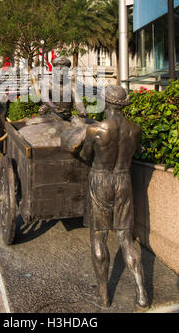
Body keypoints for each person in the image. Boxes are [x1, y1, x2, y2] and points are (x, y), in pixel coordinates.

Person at [80, 85, 148, 308]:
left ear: (105, 102)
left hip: (100, 180)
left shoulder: (96, 130)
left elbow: (85, 155)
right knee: (125, 239)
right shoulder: (135, 129)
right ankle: (141, 295)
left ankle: (103, 296)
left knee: (98, 236)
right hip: (123, 180)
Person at [39, 56, 87, 121]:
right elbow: (45, 98)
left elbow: (77, 101)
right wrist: (54, 107)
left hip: (68, 117)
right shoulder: (47, 83)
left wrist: (82, 109)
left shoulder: (72, 85)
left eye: (64, 70)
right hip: (54, 115)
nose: (61, 73)